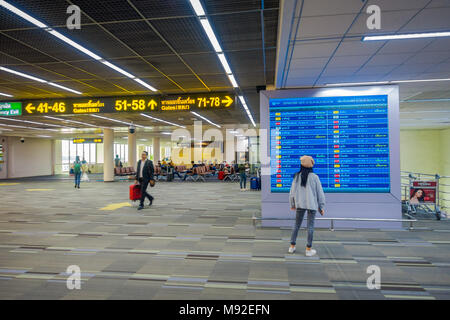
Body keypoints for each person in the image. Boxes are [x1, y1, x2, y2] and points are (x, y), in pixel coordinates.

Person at [288, 155, 325, 257]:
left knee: (296, 225)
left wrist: (292, 203)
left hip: (300, 204)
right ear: (311, 165)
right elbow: (320, 193)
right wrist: (321, 207)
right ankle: (308, 249)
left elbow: (292, 192)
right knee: (310, 227)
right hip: (312, 205)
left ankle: (292, 246)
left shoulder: (296, 176)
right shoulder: (315, 177)